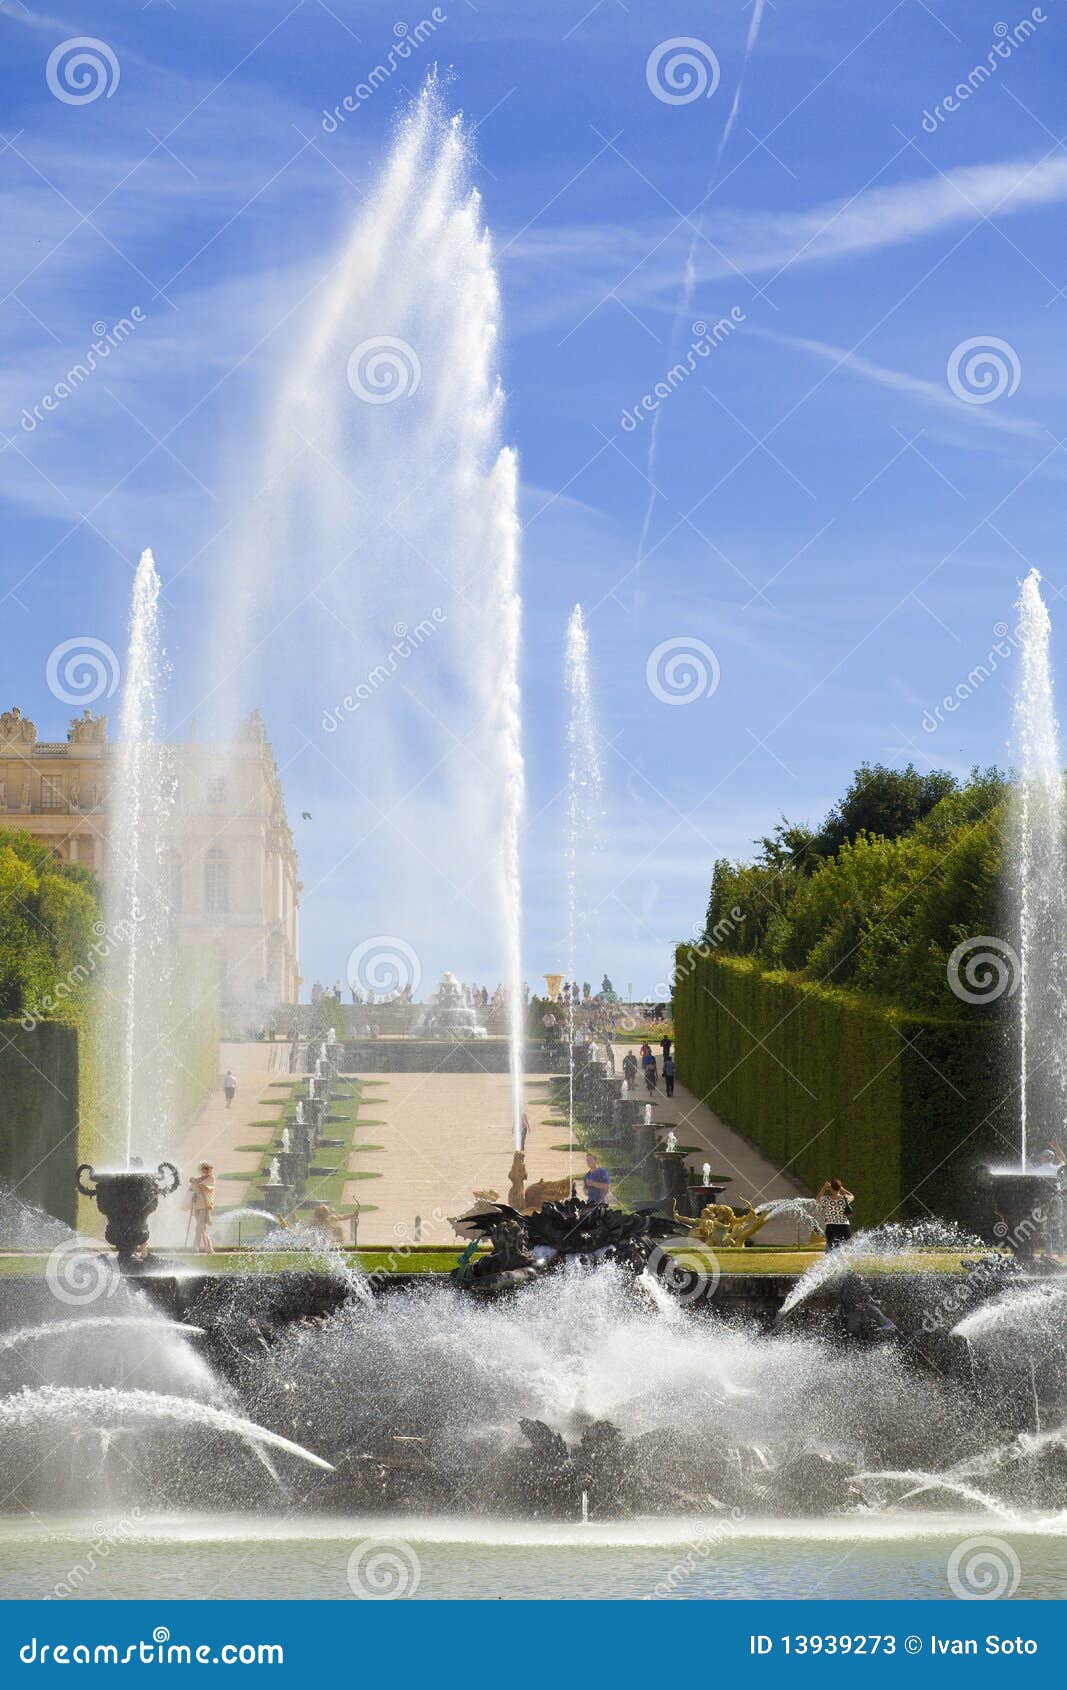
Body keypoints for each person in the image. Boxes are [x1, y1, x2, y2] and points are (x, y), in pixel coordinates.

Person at [817, 1177, 855, 1250]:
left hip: (831, 1226)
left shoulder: (826, 1199)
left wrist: (824, 1188)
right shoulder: (845, 1198)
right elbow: (852, 1196)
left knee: (831, 1250)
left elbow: (818, 1199)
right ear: (839, 1187)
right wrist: (841, 1188)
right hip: (844, 1226)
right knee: (844, 1250)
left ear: (830, 1188)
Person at [188, 1163, 216, 1252]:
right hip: (197, 1205)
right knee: (202, 1228)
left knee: (199, 1227)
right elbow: (192, 1189)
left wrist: (195, 1182)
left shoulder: (211, 1178)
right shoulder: (199, 1179)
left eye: (207, 1168)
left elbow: (207, 1187)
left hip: (204, 1205)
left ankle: (195, 1247)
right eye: (204, 1168)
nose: (206, 1170)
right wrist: (192, 1184)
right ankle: (209, 1249)